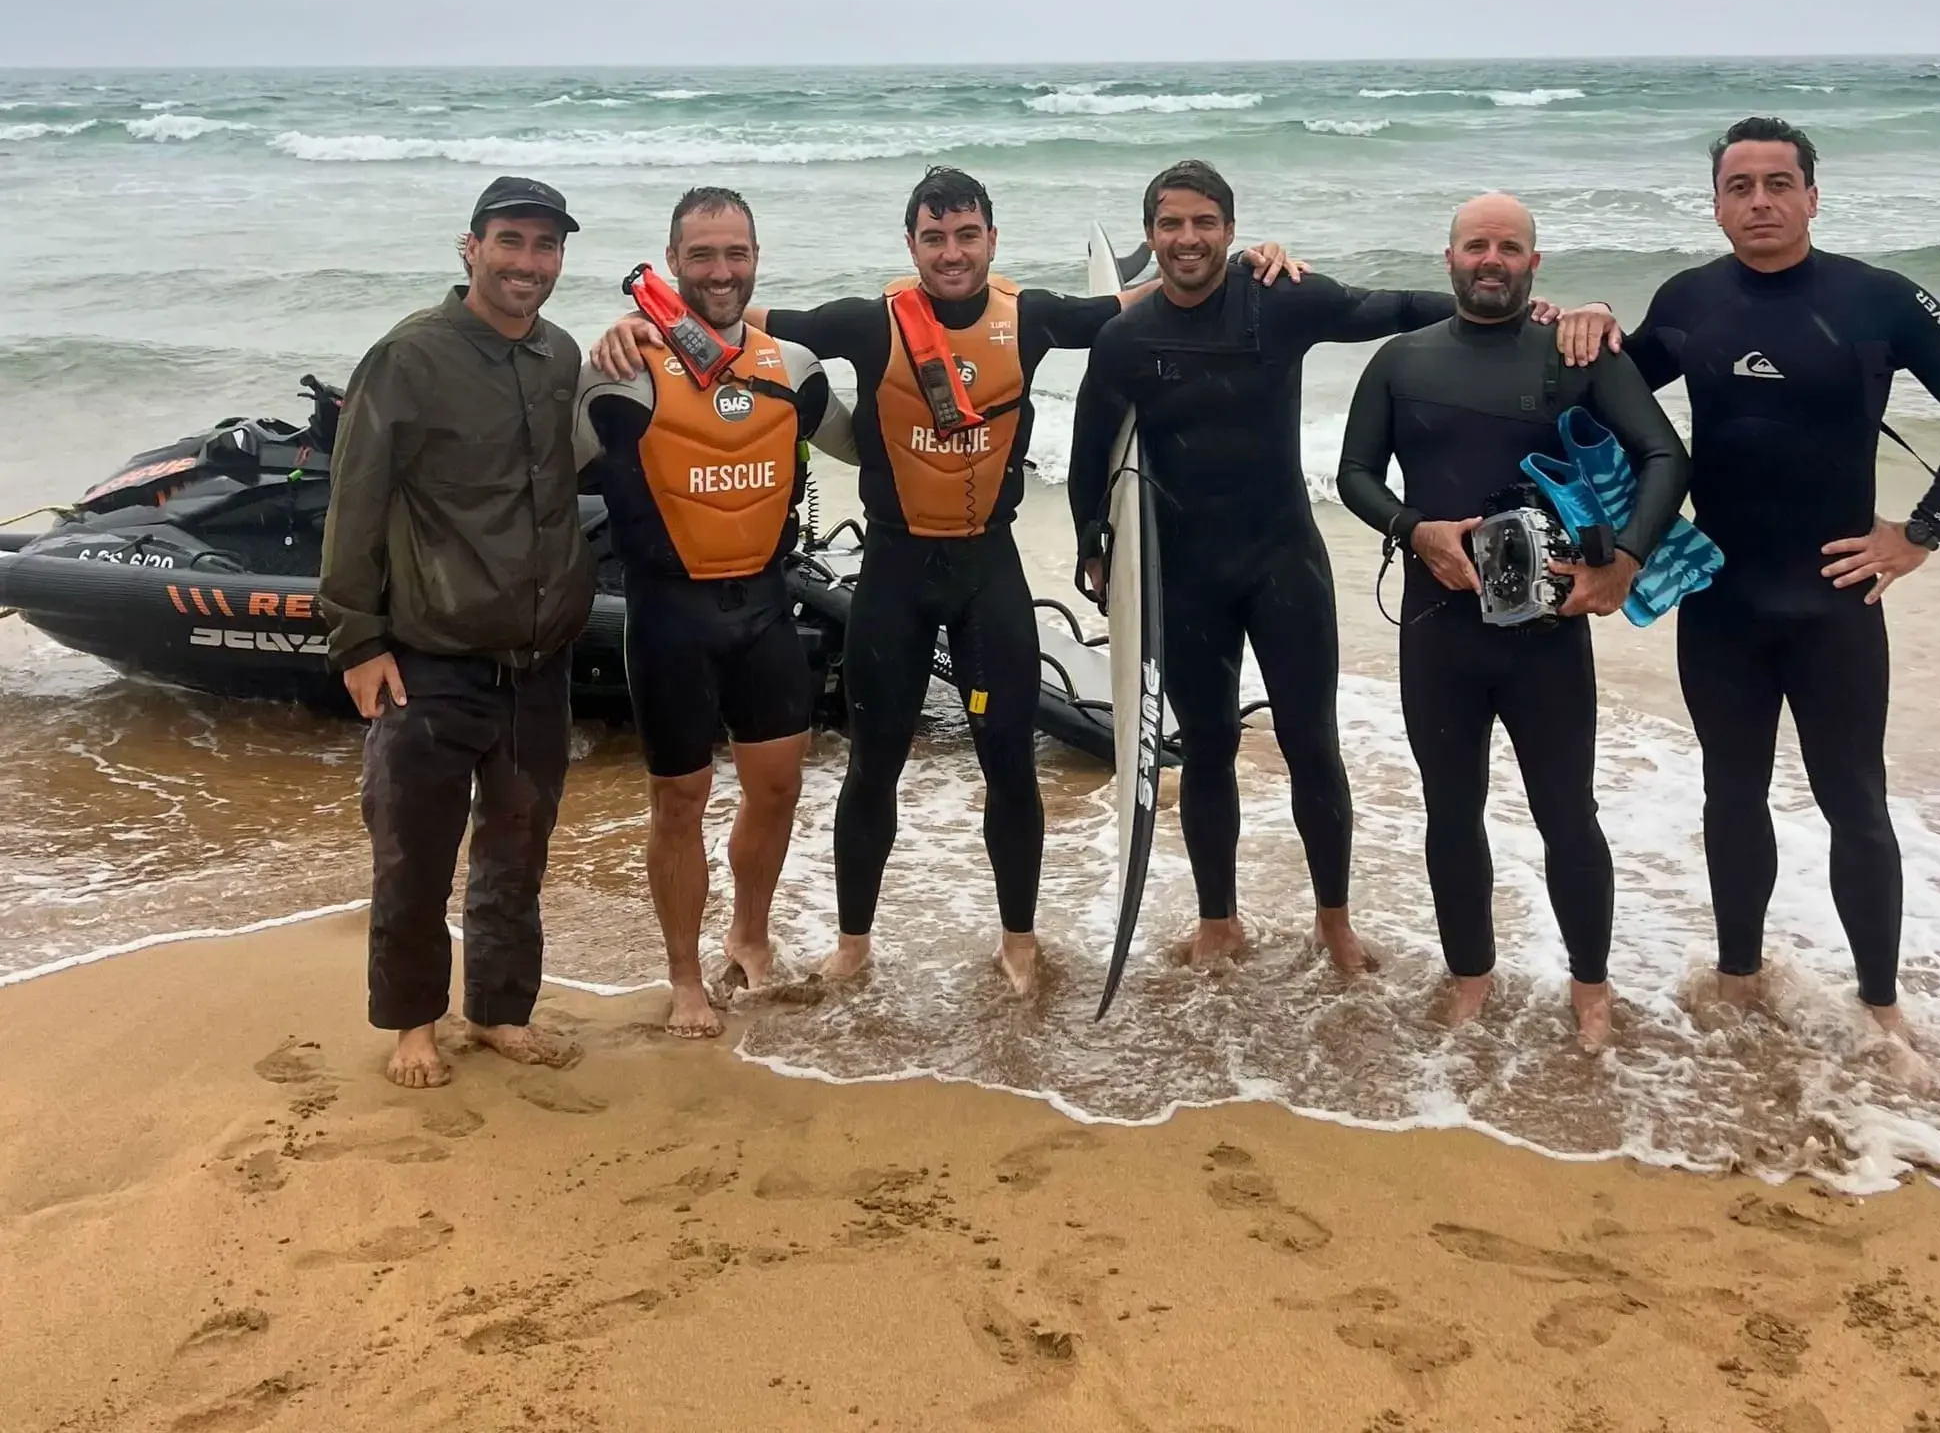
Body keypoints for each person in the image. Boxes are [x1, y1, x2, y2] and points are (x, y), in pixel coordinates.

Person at [592, 165, 1300, 996]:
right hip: (893, 573)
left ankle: (1019, 940)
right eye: (935, 237)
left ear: (991, 240)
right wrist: (639, 323)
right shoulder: (865, 322)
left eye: (967, 235)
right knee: (875, 766)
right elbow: (729, 317)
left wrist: (1249, 260)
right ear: (912, 244)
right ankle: (853, 943)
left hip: (986, 570)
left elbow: (1143, 294)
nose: (952, 252)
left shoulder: (1028, 316)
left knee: (1009, 763)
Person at [1067, 160, 1586, 974]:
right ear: (1149, 236)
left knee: (1313, 743)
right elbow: (1090, 455)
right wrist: (1093, 550)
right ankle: (1218, 921)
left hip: (1283, 562)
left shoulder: (1282, 300)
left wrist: (1523, 311)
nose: (1188, 238)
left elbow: (1391, 309)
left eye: (1204, 222)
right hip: (1188, 571)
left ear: (1231, 231)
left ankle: (1333, 920)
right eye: (1171, 224)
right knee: (1204, 747)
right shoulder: (1126, 339)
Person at [1612, 117, 1940, 1039]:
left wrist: (1921, 532)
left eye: (1778, 183)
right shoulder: (1688, 300)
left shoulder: (1881, 298)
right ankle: (1739, 976)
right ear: (1715, 205)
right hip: (1719, 600)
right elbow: (1604, 392)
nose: (1760, 201)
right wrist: (1578, 325)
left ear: (1813, 197)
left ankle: (1881, 1010)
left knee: (1854, 799)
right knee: (1730, 793)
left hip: (1834, 601)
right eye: (1739, 186)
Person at [1336, 194, 1689, 1049]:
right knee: (1450, 811)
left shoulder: (1577, 354)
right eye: (1475, 244)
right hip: (1437, 624)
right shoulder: (1399, 360)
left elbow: (1665, 454)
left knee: (1568, 812)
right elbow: (1353, 473)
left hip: (1549, 628)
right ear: (1448, 257)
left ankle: (1591, 988)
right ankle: (1470, 978)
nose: (1490, 258)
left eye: (1509, 246)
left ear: (1535, 262)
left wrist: (1625, 560)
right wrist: (1412, 528)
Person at [321, 177, 597, 1091]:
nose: (529, 263)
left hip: (536, 660)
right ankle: (413, 1025)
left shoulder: (560, 357)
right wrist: (357, 639)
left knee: (518, 849)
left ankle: (502, 1012)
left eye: (546, 246)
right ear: (469, 246)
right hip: (429, 655)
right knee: (414, 853)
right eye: (511, 241)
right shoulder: (409, 356)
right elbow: (355, 496)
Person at [576, 185, 857, 1041]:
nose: (720, 270)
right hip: (668, 615)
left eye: (736, 252)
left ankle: (751, 935)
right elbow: (535, 469)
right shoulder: (618, 370)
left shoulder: (792, 367)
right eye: (701, 254)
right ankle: (684, 974)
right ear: (671, 263)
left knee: (776, 787)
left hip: (765, 610)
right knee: (679, 799)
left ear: (757, 259)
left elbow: (872, 445)